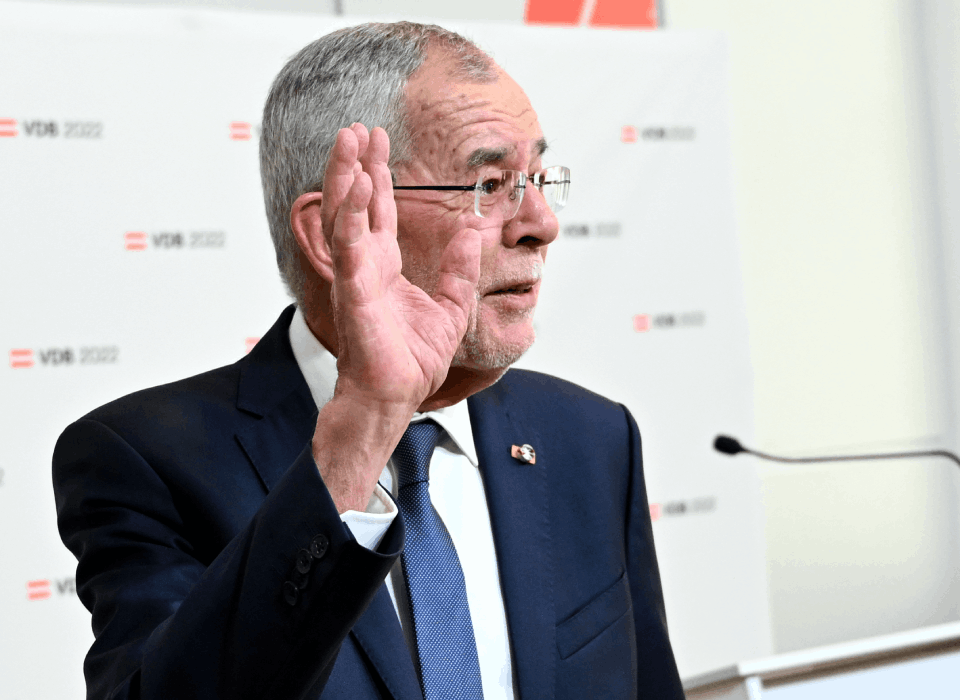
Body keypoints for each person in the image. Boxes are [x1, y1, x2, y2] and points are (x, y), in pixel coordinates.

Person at [53, 21, 684, 700]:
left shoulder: (590, 437)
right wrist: (363, 431)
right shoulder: (146, 460)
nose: (541, 223)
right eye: (489, 183)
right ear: (334, 233)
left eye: (537, 179)